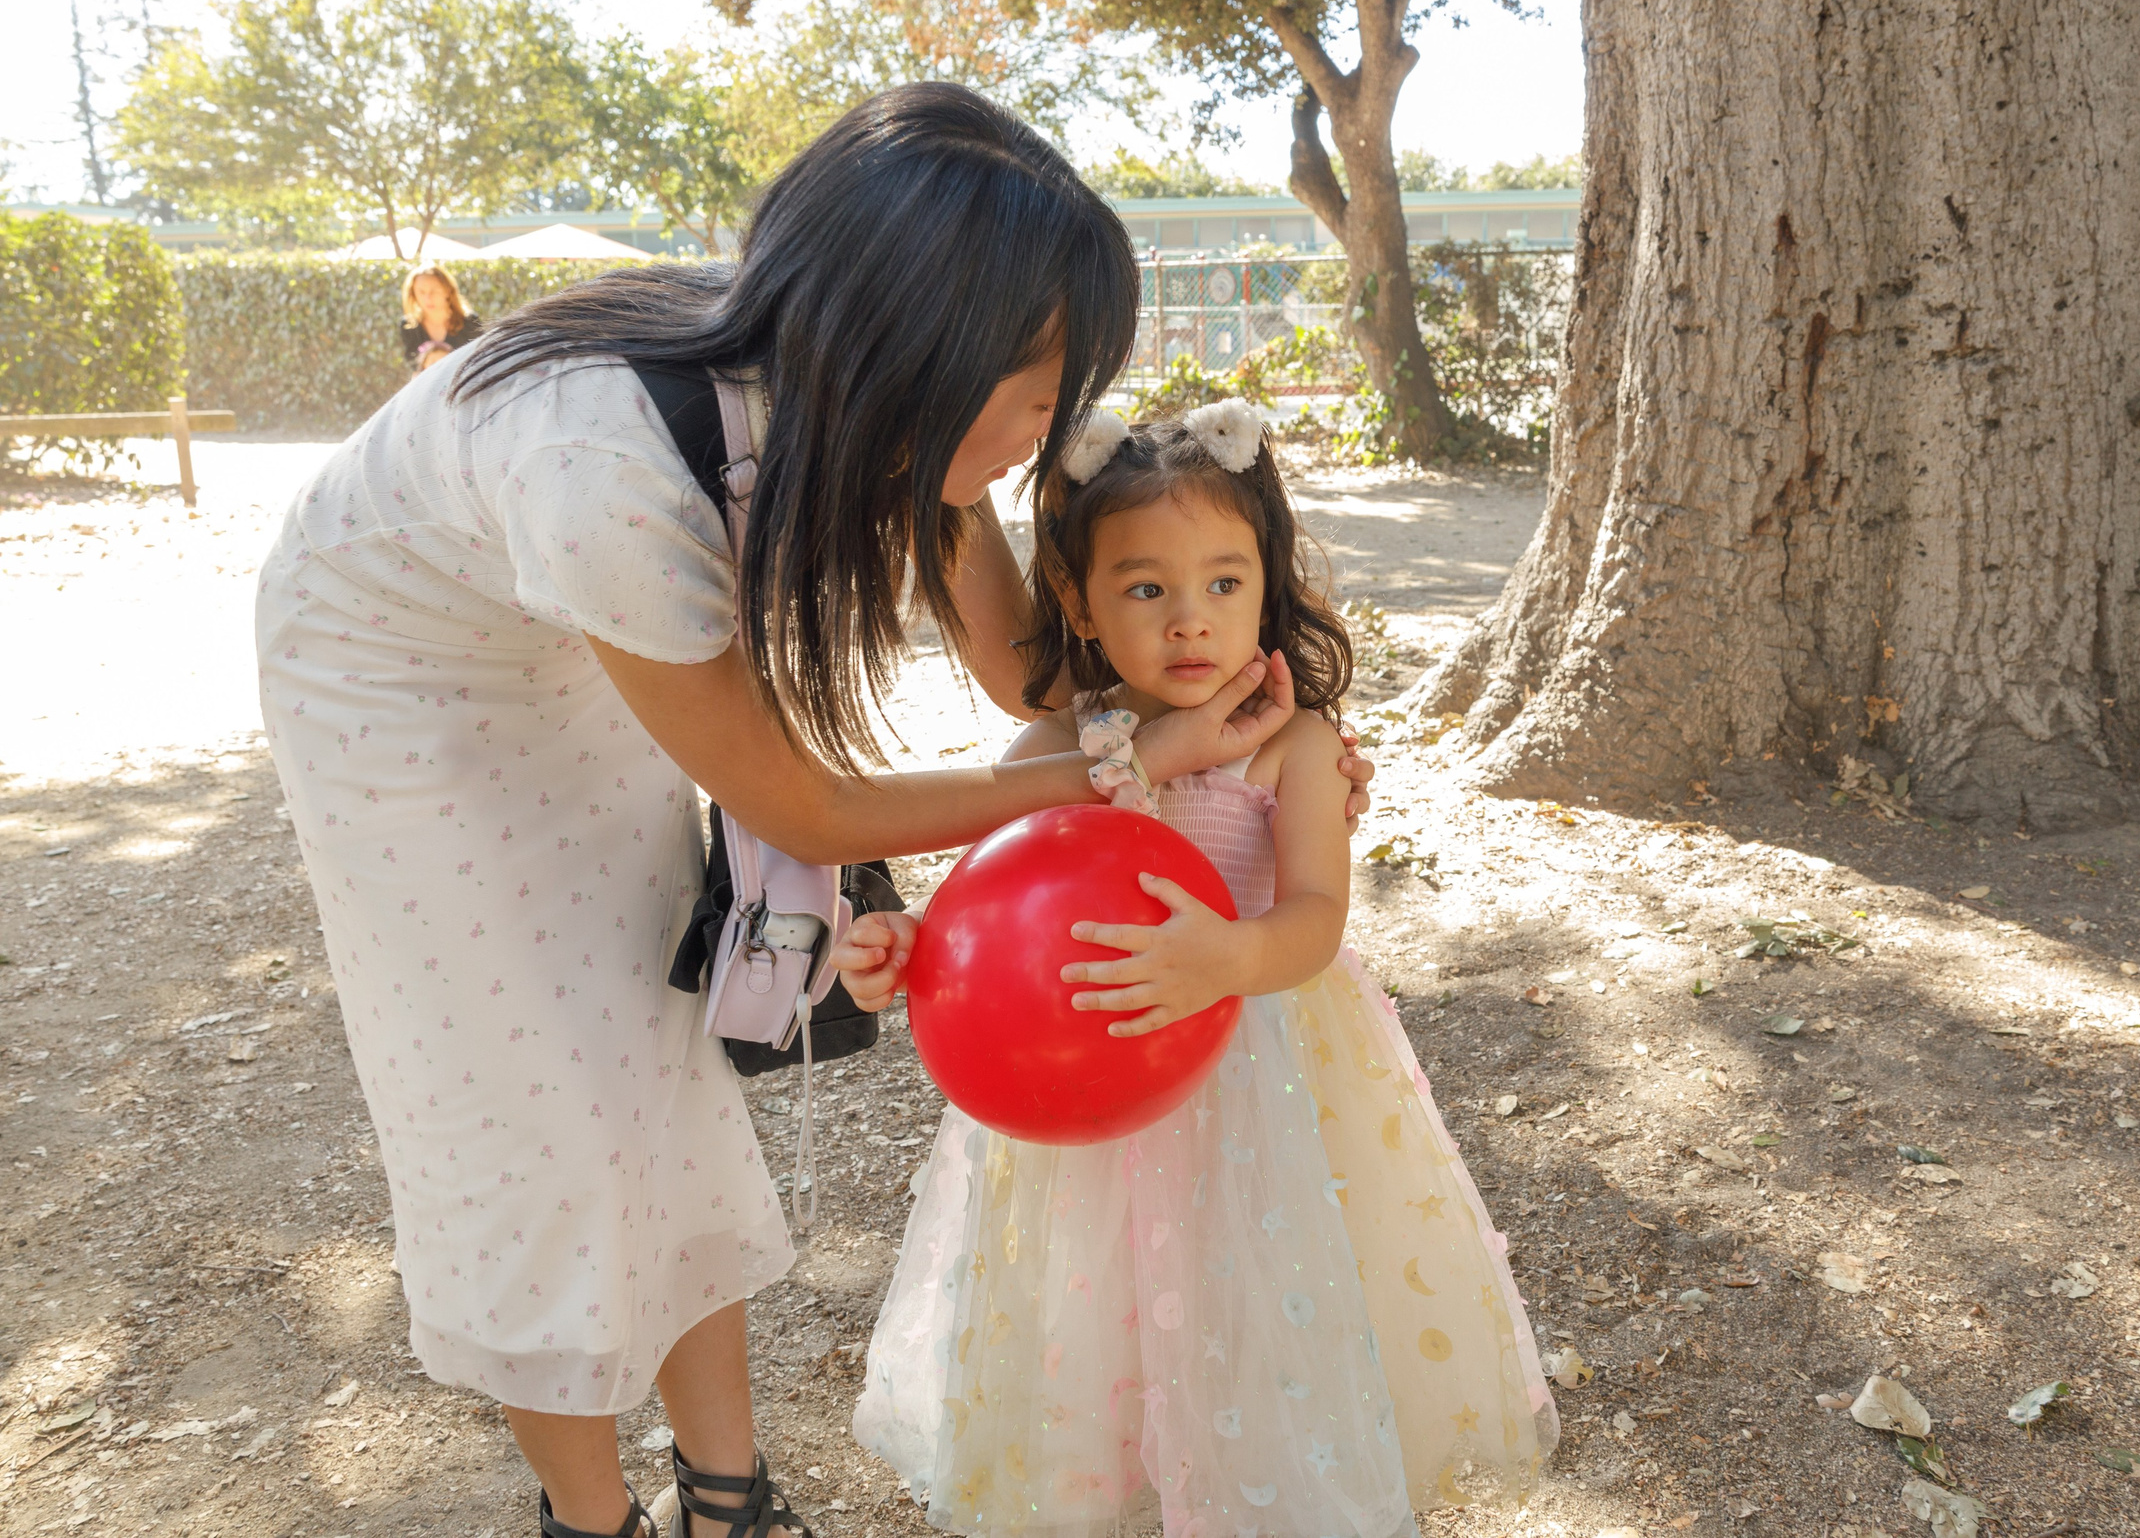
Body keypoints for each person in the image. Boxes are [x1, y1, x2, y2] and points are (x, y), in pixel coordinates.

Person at [254, 85, 1376, 1538]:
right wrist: (1129, 764)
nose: (1046, 431)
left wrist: (1242, 753)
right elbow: (808, 804)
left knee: (654, 1053)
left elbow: (1028, 663)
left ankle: (728, 1492)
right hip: (397, 687)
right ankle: (587, 1518)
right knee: (524, 1125)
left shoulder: (885, 409)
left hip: (575, 630)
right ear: (923, 341)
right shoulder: (605, 466)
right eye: (1033, 389)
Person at [846, 403, 1556, 1538]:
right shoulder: (1054, 750)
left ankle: (1255, 1488)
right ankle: (1121, 1480)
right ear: (1076, 600)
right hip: (1089, 1088)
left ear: (1267, 586)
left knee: (1249, 1294)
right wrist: (910, 951)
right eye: (1143, 589)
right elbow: (997, 911)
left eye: (1225, 585)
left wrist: (1232, 955)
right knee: (1096, 1303)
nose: (1190, 622)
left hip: (1257, 1076)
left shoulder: (1296, 744)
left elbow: (1317, 917)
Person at [399, 261, 485, 371]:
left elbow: (481, 360)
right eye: (421, 292)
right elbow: (414, 366)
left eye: (434, 291)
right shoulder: (409, 326)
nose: (428, 298)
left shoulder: (470, 322)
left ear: (448, 291)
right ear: (413, 294)